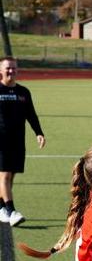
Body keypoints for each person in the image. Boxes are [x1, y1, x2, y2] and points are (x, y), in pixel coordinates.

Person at [0, 56, 45, 226]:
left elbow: (31, 114)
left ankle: (1, 207)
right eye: (7, 68)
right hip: (1, 141)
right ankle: (11, 211)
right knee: (4, 175)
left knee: (10, 176)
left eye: (13, 68)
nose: (10, 71)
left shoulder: (23, 92)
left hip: (18, 141)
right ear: (1, 71)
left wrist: (38, 133)